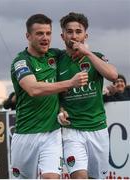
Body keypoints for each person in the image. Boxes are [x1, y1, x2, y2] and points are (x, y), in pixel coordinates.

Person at [10, 14, 88, 179]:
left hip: (52, 133)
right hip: (25, 134)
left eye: (48, 33)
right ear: (28, 36)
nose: (45, 38)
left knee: (51, 177)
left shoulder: (55, 55)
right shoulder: (21, 62)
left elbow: (75, 49)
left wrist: (80, 41)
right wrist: (70, 83)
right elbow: (33, 89)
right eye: (39, 33)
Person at [57, 12, 118, 179]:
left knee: (97, 177)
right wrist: (60, 109)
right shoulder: (57, 60)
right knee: (80, 176)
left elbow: (113, 76)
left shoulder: (96, 57)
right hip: (72, 130)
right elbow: (54, 92)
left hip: (97, 128)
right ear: (62, 36)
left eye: (78, 31)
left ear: (86, 35)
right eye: (69, 31)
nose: (74, 35)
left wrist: (88, 53)